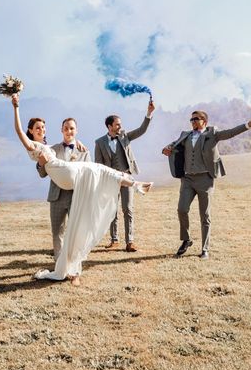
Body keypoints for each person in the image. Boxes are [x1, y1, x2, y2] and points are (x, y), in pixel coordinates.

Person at [10, 94, 153, 286]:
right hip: (63, 180)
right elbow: (22, 137)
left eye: (43, 127)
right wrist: (16, 107)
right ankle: (61, 267)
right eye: (37, 128)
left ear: (75, 130)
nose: (42, 130)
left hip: (76, 184)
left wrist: (76, 145)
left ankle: (133, 184)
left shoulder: (78, 148)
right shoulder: (42, 147)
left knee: (101, 173)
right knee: (58, 232)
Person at [162, 109, 251, 259]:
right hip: (187, 179)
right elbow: (173, 145)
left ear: (204, 121)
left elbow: (232, 132)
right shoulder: (185, 135)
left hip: (205, 179)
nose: (193, 122)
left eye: (196, 119)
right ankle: (186, 240)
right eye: (191, 120)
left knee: (205, 215)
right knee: (181, 209)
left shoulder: (212, 134)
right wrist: (167, 148)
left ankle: (205, 249)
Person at [94, 101, 155, 252]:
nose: (120, 126)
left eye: (120, 124)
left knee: (128, 209)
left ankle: (130, 242)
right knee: (112, 211)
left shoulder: (125, 137)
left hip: (127, 178)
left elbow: (142, 130)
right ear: (109, 126)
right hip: (110, 180)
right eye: (117, 124)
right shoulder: (99, 142)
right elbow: (98, 164)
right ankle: (114, 240)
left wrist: (149, 113)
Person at [36, 117, 91, 261]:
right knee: (57, 232)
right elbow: (42, 174)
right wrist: (41, 163)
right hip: (56, 196)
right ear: (61, 130)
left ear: (76, 130)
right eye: (66, 128)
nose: (69, 131)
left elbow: (89, 175)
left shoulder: (84, 152)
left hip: (77, 196)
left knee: (76, 231)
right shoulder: (52, 150)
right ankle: (59, 263)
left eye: (72, 128)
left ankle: (74, 262)